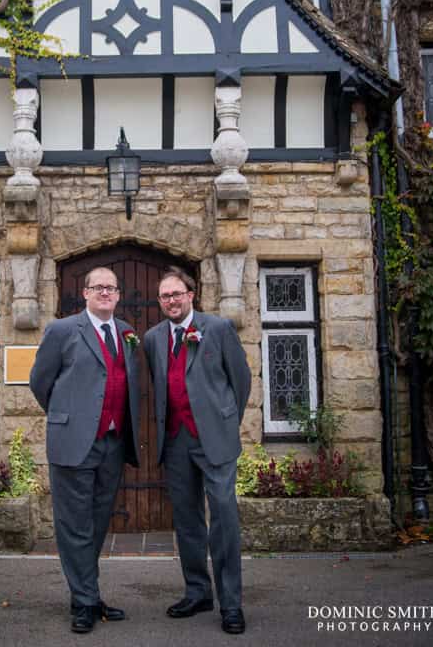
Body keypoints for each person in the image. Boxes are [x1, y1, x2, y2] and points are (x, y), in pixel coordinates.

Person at [29, 266, 141, 634]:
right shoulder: (62, 330)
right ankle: (84, 602)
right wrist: (67, 416)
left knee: (94, 525)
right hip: (73, 441)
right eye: (98, 287)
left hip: (111, 443)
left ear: (118, 295)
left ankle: (87, 593)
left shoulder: (126, 333)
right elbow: (40, 382)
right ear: (86, 293)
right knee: (73, 525)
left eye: (112, 287)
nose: (105, 293)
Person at [143, 266, 251, 635]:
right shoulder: (153, 338)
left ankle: (231, 604)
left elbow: (241, 381)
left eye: (177, 293)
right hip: (175, 441)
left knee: (223, 519)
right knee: (188, 521)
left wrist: (223, 422)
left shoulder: (217, 329)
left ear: (191, 295)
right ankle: (198, 591)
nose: (171, 300)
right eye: (165, 296)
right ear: (160, 301)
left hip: (215, 440)